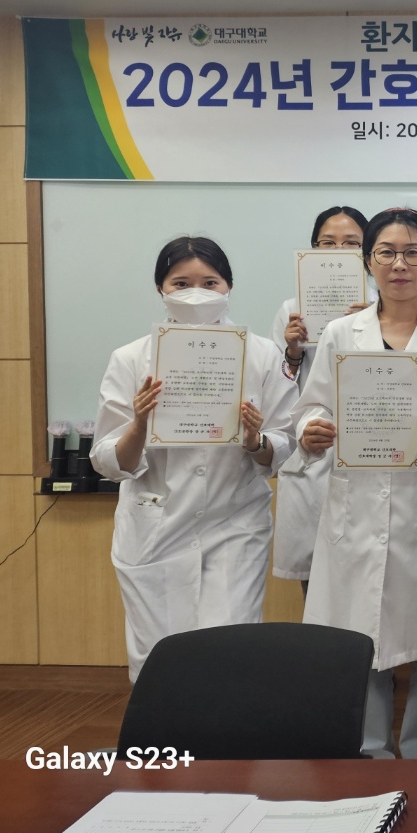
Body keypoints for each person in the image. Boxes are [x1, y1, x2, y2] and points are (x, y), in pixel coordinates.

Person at [292, 208, 417, 759]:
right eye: (386, 252)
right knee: (360, 647)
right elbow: (310, 408)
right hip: (356, 510)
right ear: (368, 261)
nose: (400, 264)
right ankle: (369, 759)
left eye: (413, 253)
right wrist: (312, 430)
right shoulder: (340, 334)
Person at [92, 236, 296, 681]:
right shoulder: (130, 358)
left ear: (229, 286)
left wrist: (254, 440)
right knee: (161, 663)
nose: (196, 293)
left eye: (210, 282)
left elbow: (283, 443)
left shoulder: (263, 354)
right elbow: (107, 460)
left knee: (230, 656)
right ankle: (165, 730)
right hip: (156, 527)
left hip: (235, 524)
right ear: (161, 289)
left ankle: (227, 731)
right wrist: (139, 424)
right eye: (181, 283)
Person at [270, 204, 370, 597]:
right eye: (327, 243)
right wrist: (293, 350)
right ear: (313, 249)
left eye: (351, 243)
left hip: (369, 446)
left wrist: (372, 327)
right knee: (317, 590)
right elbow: (278, 388)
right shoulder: (291, 310)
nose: (338, 251)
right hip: (314, 450)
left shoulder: (384, 305)